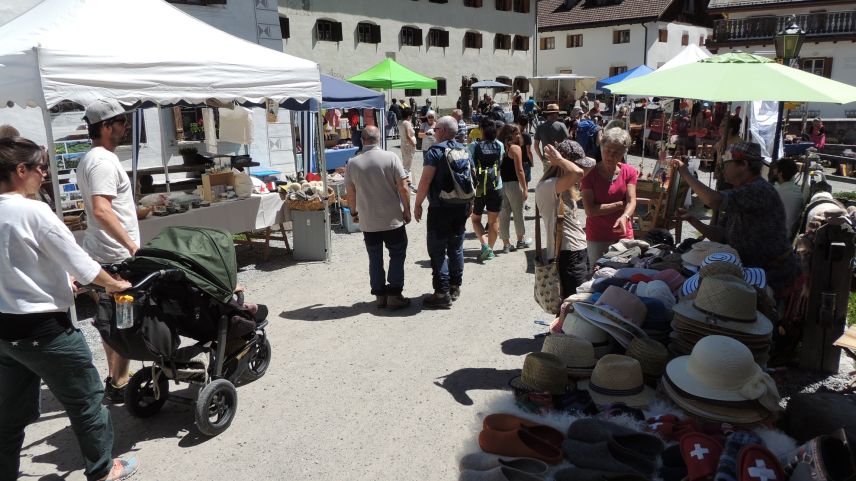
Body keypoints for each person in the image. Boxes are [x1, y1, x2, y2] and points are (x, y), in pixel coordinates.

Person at [0, 136, 139, 481]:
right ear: (21, 170)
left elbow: (17, 261)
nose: (44, 174)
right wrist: (115, 283)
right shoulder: (33, 210)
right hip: (46, 330)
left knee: (9, 413)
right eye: (40, 167)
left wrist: (59, 279)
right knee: (87, 401)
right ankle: (104, 471)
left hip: (5, 331)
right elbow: (83, 264)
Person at [672, 141, 799, 298]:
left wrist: (685, 174)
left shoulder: (759, 190)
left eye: (726, 163)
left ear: (743, 164)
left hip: (772, 275)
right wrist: (692, 219)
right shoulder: (740, 192)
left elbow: (714, 201)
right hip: (752, 270)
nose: (722, 168)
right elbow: (720, 235)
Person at [77, 98, 140, 405]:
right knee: (124, 323)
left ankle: (117, 379)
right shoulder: (102, 160)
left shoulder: (92, 158)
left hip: (103, 253)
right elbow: (102, 210)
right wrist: (130, 244)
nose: (125, 127)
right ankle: (118, 383)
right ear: (105, 127)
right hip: (114, 257)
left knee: (110, 323)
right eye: (121, 123)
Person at [345, 127, 411, 309]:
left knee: (375, 257)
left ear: (362, 140)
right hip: (392, 220)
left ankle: (380, 295)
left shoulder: (352, 163)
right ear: (379, 138)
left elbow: (350, 193)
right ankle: (395, 294)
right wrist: (407, 209)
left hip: (368, 221)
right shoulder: (391, 157)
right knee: (397, 254)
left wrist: (353, 212)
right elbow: (403, 187)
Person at [414, 116, 475, 308]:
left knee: (438, 250)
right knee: (456, 248)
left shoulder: (435, 152)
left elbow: (425, 181)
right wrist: (471, 201)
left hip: (440, 208)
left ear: (441, 131)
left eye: (436, 128)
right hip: (461, 205)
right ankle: (455, 286)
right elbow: (472, 177)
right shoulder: (464, 150)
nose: (434, 131)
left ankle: (442, 293)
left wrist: (417, 204)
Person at [535, 140, 595, 298]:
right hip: (567, 255)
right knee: (574, 304)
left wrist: (562, 161)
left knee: (579, 301)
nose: (582, 168)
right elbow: (579, 173)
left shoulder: (566, 186)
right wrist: (561, 161)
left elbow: (592, 164)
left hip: (578, 250)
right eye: (578, 164)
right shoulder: (547, 186)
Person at [580, 127, 638, 267]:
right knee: (597, 274)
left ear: (624, 152)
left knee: (625, 273)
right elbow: (590, 211)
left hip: (624, 234)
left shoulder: (629, 172)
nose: (611, 156)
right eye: (608, 150)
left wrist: (624, 217)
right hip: (598, 236)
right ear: (601, 147)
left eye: (617, 152)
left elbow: (632, 200)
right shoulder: (589, 174)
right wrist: (621, 204)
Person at [469, 119, 505, 261]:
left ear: (482, 130)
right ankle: (490, 249)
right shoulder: (500, 145)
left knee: (475, 219)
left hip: (479, 188)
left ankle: (485, 245)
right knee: (494, 221)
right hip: (496, 186)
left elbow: (469, 165)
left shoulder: (474, 146)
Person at [497, 123, 531, 253]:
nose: (519, 135)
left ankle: (506, 244)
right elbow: (520, 170)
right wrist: (525, 187)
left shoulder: (500, 147)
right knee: (518, 212)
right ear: (510, 134)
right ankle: (520, 240)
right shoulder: (515, 148)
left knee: (504, 214)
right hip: (513, 184)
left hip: (501, 184)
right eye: (516, 133)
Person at [771, 158, 805, 240]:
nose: (773, 171)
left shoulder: (775, 192)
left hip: (774, 238)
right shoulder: (796, 191)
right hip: (786, 237)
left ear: (780, 174)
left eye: (775, 169)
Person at [534, 104, 570, 173]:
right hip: (560, 158)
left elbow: (536, 146)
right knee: (561, 180)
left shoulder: (540, 127)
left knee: (548, 181)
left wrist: (541, 158)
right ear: (554, 115)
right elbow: (568, 142)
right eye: (557, 114)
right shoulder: (561, 125)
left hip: (547, 158)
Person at [399, 108, 417, 193]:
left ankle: (407, 185)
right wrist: (414, 144)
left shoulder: (400, 122)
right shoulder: (406, 123)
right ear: (409, 116)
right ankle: (408, 186)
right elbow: (408, 136)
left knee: (406, 165)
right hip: (408, 145)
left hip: (404, 145)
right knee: (407, 167)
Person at [516, 116, 534, 184]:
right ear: (527, 124)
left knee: (517, 181)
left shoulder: (513, 134)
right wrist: (532, 162)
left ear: (518, 123)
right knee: (525, 182)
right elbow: (528, 152)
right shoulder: (526, 135)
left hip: (515, 160)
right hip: (525, 161)